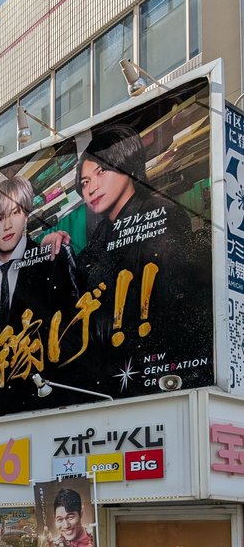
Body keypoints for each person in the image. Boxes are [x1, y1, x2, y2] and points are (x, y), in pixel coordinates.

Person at [73, 123, 212, 392]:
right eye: (85, 182)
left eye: (101, 171)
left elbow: (174, 299)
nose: (91, 188)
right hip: (116, 372)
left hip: (158, 370)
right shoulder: (102, 232)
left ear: (127, 164)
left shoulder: (160, 212)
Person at [0, 176, 81, 410]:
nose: (8, 225)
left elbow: (75, 327)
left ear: (27, 217)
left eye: (15, 213)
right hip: (1, 411)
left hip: (54, 402)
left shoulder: (51, 258)